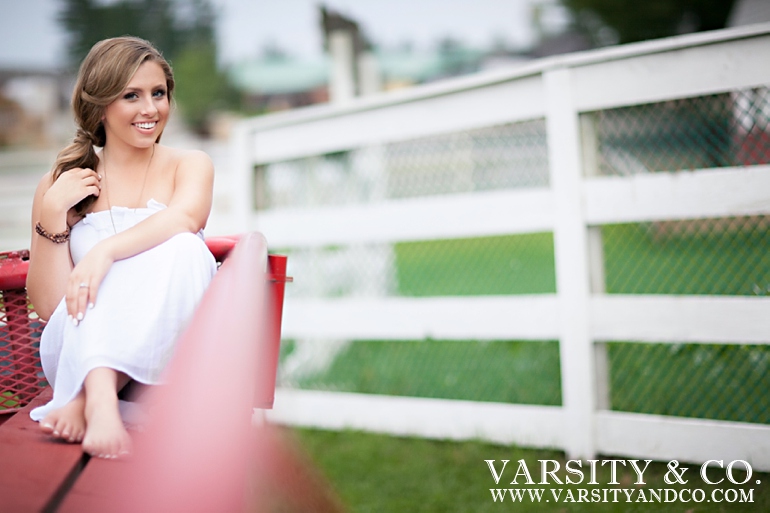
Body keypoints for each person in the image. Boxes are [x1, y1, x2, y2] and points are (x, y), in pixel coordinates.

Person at [26, 36, 217, 459]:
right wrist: (53, 214)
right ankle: (96, 393)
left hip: (167, 365)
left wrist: (102, 253)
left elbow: (185, 217)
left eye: (158, 93)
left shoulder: (190, 164)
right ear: (101, 105)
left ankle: (93, 396)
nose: (150, 109)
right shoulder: (61, 185)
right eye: (131, 95)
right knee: (168, 251)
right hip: (75, 349)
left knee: (183, 247)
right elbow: (50, 307)